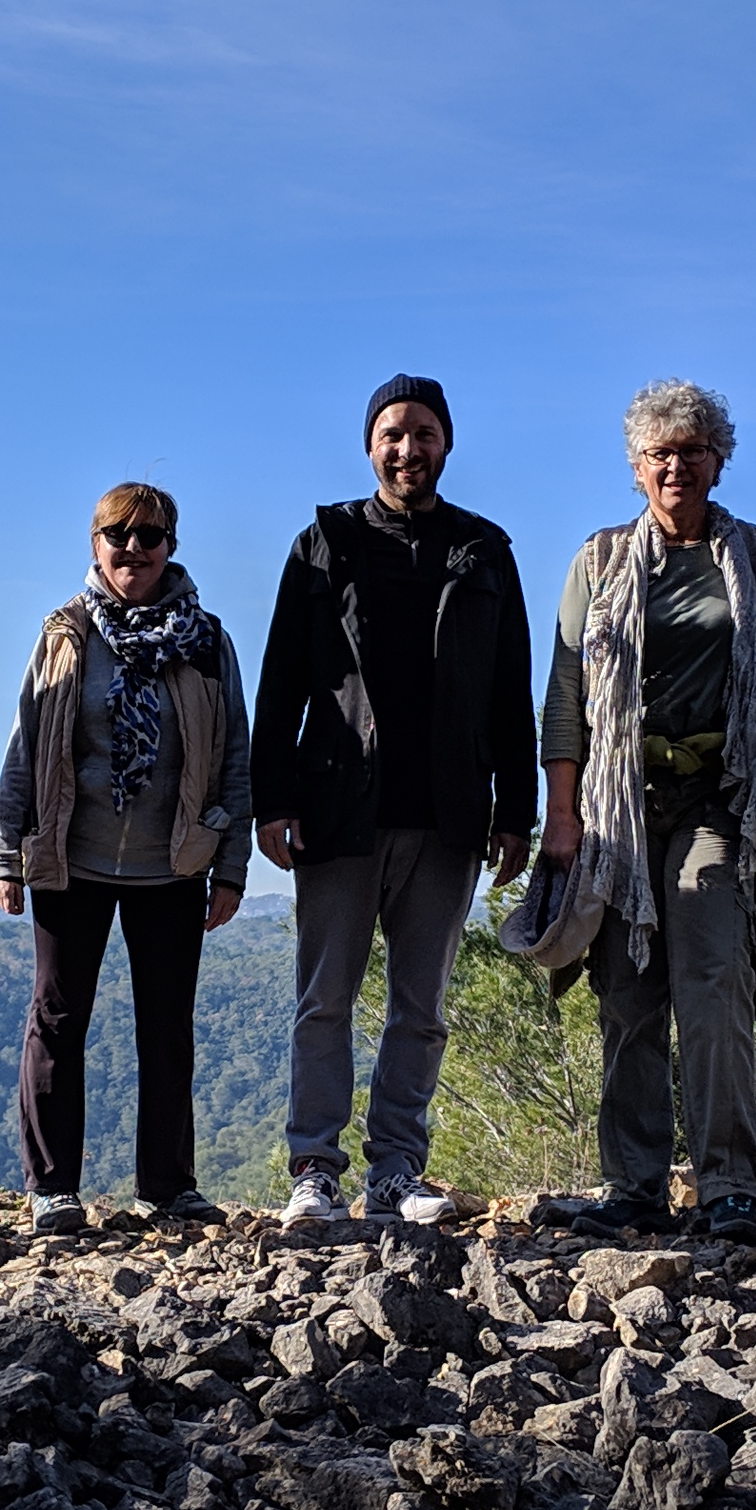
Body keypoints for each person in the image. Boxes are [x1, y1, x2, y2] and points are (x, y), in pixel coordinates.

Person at [250, 373, 536, 1227]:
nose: (408, 450)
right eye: (393, 435)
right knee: (325, 1000)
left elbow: (510, 688)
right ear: (370, 446)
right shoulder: (324, 543)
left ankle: (396, 1172)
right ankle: (315, 1169)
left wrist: (515, 810)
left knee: (422, 1007)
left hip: (449, 813)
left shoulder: (484, 550)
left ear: (446, 444)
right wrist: (271, 799)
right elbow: (281, 680)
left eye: (423, 434)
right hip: (338, 806)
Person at [533, 380, 756, 1241]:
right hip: (618, 807)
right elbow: (565, 694)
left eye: (693, 450)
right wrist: (560, 812)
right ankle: (633, 1187)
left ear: (720, 461)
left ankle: (730, 1183)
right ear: (638, 467)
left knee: (714, 979)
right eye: (660, 453)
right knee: (628, 993)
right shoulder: (599, 561)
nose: (677, 466)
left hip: (716, 796)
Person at [0, 482, 254, 1235]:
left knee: (167, 1027)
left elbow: (234, 757)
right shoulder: (64, 634)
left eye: (150, 535)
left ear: (171, 546)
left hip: (174, 863)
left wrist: (231, 867)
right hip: (71, 859)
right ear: (95, 543)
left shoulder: (207, 641)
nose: (133, 548)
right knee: (57, 1019)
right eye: (118, 534)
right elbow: (26, 746)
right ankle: (52, 1189)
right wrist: (5, 854)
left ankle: (167, 1187)